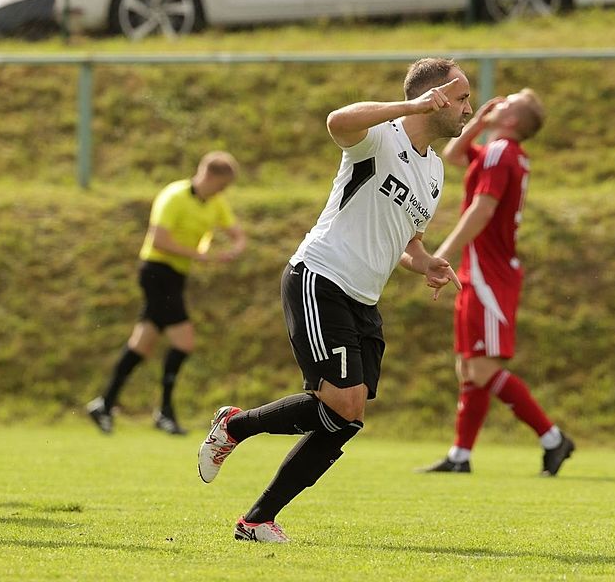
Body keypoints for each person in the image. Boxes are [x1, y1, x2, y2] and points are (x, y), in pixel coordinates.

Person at [197, 57, 469, 542]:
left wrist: (425, 263)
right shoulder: (379, 136)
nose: (469, 109)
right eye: (463, 98)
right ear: (438, 96)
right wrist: (409, 105)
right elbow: (336, 121)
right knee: (341, 404)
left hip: (364, 299)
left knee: (347, 418)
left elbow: (407, 242)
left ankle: (256, 517)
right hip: (320, 277)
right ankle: (237, 432)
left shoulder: (435, 171)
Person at [418, 89, 574, 476]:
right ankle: (460, 456)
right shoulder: (498, 150)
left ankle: (553, 438)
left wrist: (444, 252)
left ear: (512, 122)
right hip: (481, 269)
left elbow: (482, 209)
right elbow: (453, 155)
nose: (496, 102)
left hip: (490, 272)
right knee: (468, 369)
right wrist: (478, 124)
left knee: (483, 370)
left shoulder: (502, 151)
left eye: (506, 103)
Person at [86, 151, 246, 435]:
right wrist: (201, 256)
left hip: (176, 276)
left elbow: (236, 233)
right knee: (184, 343)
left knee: (141, 345)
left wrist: (235, 248)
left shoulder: (215, 202)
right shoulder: (173, 196)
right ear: (208, 175)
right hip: (156, 272)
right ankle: (164, 411)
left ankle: (105, 404)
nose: (223, 192)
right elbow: (159, 241)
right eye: (221, 185)